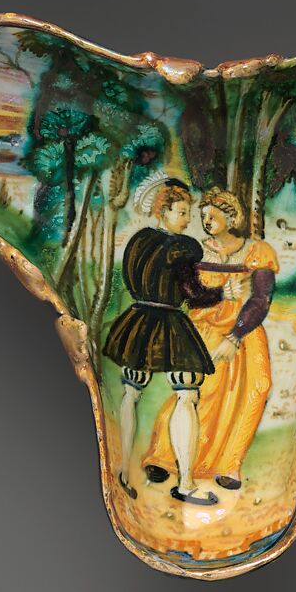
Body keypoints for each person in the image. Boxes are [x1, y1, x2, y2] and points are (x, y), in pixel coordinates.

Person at [139, 186, 278, 492]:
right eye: (202, 217)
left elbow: (261, 299)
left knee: (257, 386)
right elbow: (190, 294)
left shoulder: (256, 251)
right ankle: (163, 456)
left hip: (245, 329)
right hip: (206, 328)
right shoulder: (195, 251)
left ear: (231, 216)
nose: (205, 222)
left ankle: (230, 464)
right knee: (203, 390)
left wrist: (236, 335)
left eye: (212, 216)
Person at [102, 173, 224, 506]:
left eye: (187, 212)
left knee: (131, 392)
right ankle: (185, 483)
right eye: (182, 212)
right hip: (169, 322)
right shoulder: (183, 248)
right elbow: (193, 294)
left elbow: (131, 279)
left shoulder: (139, 242)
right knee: (187, 393)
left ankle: (123, 472)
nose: (186, 219)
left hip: (138, 321)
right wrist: (222, 294)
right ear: (163, 210)